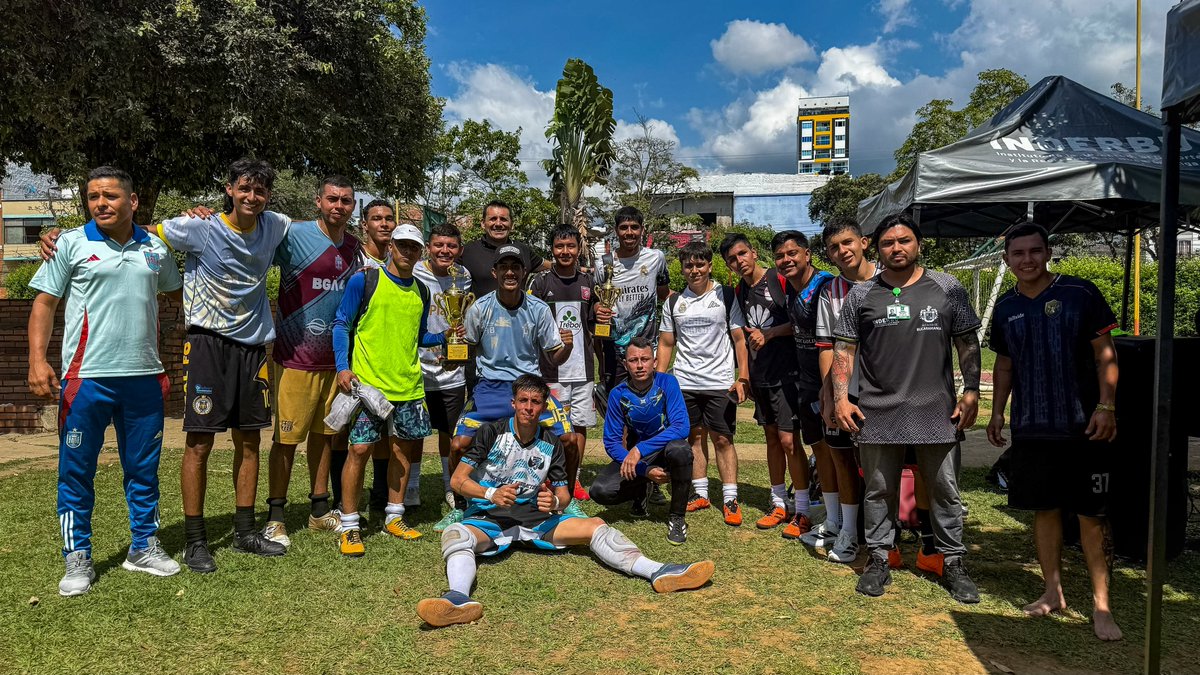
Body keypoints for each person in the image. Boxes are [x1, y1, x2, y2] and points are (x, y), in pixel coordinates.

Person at [416, 375, 715, 628]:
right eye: (523, 401)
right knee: (456, 534)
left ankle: (659, 570)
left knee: (596, 525)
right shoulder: (490, 432)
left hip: (537, 519)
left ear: (544, 407)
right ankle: (458, 598)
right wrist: (491, 494)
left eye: (535, 402)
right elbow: (458, 481)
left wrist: (555, 503)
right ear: (513, 403)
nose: (529, 408)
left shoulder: (551, 442)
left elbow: (563, 494)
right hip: (490, 518)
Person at [27, 166, 184, 595]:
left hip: (144, 378)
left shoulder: (155, 247)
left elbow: (178, 293)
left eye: (110, 196)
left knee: (143, 470)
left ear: (132, 201)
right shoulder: (69, 243)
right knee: (76, 472)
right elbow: (44, 304)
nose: (101, 203)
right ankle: (77, 557)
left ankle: (143, 546)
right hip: (86, 379)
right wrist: (37, 360)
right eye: (94, 196)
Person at [832, 213, 982, 603]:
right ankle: (880, 558)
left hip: (937, 410)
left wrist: (970, 391)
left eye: (904, 241)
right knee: (879, 490)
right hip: (877, 411)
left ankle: (952, 561)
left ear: (918, 244)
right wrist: (841, 398)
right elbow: (843, 350)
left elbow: (967, 342)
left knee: (945, 490)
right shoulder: (862, 294)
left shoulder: (947, 287)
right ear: (877, 248)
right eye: (888, 242)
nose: (896, 248)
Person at [986, 223, 1122, 641]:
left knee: (1091, 517)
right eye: (1018, 253)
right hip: (1032, 427)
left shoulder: (1081, 293)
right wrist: (997, 413)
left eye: (1034, 251)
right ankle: (1052, 592)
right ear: (1007, 259)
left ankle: (1102, 606)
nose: (1027, 259)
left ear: (1048, 252)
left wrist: (1106, 406)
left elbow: (1105, 354)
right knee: (1044, 510)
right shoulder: (1006, 307)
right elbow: (1005, 365)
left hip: (1084, 426)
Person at [158, 158, 292, 572]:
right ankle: (195, 540)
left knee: (249, 442)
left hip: (252, 349)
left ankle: (245, 532)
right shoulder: (200, 227)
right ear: (230, 189)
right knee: (199, 443)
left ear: (268, 196)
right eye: (244, 188)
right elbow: (142, 232)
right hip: (207, 344)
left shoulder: (274, 225)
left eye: (260, 190)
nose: (252, 197)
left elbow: (317, 228)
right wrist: (63, 237)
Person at [259, 176, 362, 546]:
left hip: (335, 362)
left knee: (325, 436)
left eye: (345, 200)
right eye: (332, 199)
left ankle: (319, 510)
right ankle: (275, 517)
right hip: (295, 357)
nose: (338, 206)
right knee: (286, 439)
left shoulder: (354, 247)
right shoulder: (294, 235)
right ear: (318, 201)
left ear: (353, 206)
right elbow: (253, 250)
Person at [331, 224, 445, 556]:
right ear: (391, 246)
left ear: (420, 253)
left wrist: (447, 337)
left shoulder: (421, 291)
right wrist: (342, 366)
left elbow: (419, 336)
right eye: (403, 245)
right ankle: (350, 524)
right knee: (359, 450)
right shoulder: (365, 280)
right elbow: (342, 323)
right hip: (368, 387)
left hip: (408, 387)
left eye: (414, 247)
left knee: (402, 452)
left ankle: (394, 516)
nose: (408, 252)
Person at [449, 245, 582, 514]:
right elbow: (467, 352)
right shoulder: (479, 308)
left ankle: (565, 499)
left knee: (569, 440)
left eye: (515, 267)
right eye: (504, 267)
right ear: (494, 272)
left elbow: (554, 358)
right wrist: (452, 351)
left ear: (524, 272)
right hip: (490, 387)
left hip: (529, 387)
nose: (510, 272)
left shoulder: (538, 308)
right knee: (458, 445)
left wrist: (566, 346)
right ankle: (460, 503)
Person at [720, 233, 810, 537]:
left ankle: (803, 510)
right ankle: (779, 503)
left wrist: (770, 334)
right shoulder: (739, 291)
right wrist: (745, 377)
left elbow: (802, 321)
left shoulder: (779, 280)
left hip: (788, 375)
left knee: (789, 441)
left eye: (742, 254)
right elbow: (743, 339)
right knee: (771, 439)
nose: (739, 261)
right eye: (732, 259)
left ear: (754, 253)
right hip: (762, 377)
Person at [656, 241, 750, 527]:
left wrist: (743, 377)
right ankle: (700, 493)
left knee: (723, 439)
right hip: (685, 382)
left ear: (709, 266)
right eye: (689, 265)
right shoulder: (674, 302)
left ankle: (730, 498)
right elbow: (666, 343)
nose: (694, 270)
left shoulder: (726, 295)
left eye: (700, 264)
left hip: (720, 381)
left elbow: (739, 339)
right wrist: (659, 380)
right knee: (694, 437)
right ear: (682, 269)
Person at [810, 219, 876, 563]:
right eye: (834, 247)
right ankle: (848, 531)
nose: (842, 251)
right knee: (842, 458)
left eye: (848, 242)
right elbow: (826, 347)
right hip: (845, 391)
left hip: (886, 392)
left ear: (864, 242)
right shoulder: (830, 291)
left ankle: (885, 535)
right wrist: (832, 397)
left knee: (880, 465)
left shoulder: (891, 281)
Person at [528, 225, 609, 504]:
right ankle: (550, 476)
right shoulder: (540, 283)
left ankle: (574, 478)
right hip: (551, 369)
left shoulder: (588, 283)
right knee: (552, 427)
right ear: (552, 249)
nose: (565, 251)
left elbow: (594, 320)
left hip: (582, 369)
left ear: (578, 249)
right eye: (559, 246)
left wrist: (600, 310)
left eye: (570, 246)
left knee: (580, 425)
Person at [592, 338, 693, 543]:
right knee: (600, 491)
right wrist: (644, 470)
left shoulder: (668, 383)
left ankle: (677, 517)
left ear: (654, 362)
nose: (639, 365)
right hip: (638, 459)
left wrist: (640, 449)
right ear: (625, 364)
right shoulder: (618, 394)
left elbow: (681, 427)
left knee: (681, 450)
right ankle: (641, 491)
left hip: (665, 452)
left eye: (645, 359)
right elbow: (611, 442)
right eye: (633, 360)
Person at [773, 231, 837, 540]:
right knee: (820, 450)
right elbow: (798, 325)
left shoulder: (826, 286)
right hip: (806, 382)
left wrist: (833, 385)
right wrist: (771, 334)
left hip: (832, 383)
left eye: (792, 253)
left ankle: (847, 519)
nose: (786, 260)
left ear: (807, 254)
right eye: (780, 256)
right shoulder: (791, 288)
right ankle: (832, 517)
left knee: (840, 454)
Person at [412, 223, 472, 531]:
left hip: (452, 369)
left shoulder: (464, 276)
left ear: (459, 250)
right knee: (414, 431)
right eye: (439, 245)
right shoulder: (414, 273)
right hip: (417, 367)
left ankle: (450, 486)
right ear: (428, 247)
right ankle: (412, 485)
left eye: (451, 246)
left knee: (450, 432)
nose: (444, 251)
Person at [598, 206, 671, 391]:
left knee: (650, 401)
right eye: (624, 227)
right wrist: (598, 309)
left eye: (634, 227)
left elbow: (664, 294)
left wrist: (693, 298)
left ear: (642, 229)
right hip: (615, 351)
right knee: (617, 402)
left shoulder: (656, 258)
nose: (629, 232)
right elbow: (595, 300)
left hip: (647, 350)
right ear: (616, 231)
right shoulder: (604, 264)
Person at [458, 200, 548, 298]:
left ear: (512, 224)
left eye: (503, 219)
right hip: (480, 308)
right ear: (483, 223)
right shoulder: (468, 251)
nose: (498, 223)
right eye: (493, 219)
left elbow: (552, 266)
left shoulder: (522, 250)